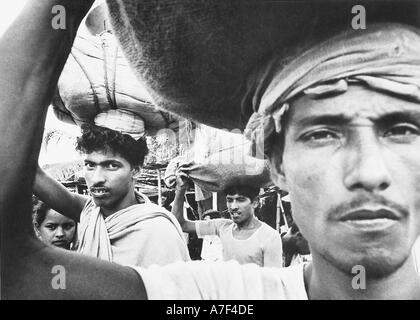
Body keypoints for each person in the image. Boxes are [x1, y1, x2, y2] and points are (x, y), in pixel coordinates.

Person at [2, 0, 420, 300]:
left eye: (402, 129)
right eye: (323, 134)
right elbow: (11, 272)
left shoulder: (259, 238)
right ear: (276, 164)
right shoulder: (217, 298)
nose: (368, 171)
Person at [171, 173, 283, 267]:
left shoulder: (269, 237)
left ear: (255, 202)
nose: (233, 206)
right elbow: (180, 224)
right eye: (229, 200)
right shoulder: (223, 227)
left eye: (240, 200)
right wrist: (181, 189)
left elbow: (273, 284)